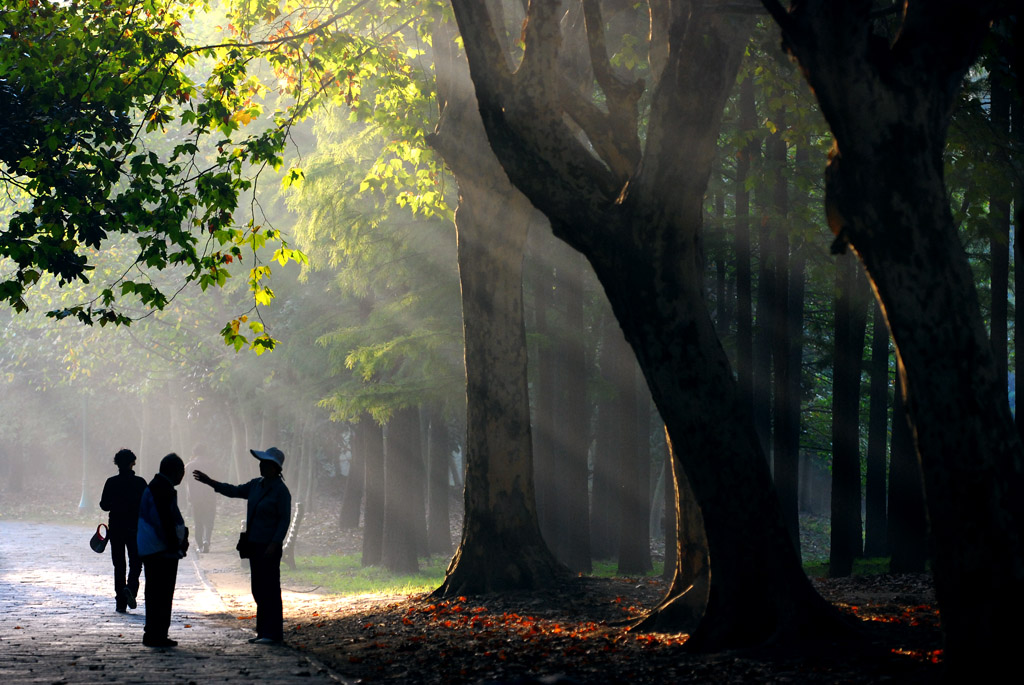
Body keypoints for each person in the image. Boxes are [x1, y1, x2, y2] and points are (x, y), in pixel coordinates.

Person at [193, 447, 291, 645]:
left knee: (270, 589)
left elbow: (283, 521)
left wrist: (275, 543)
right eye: (261, 462)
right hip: (254, 545)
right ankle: (263, 631)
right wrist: (210, 482)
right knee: (258, 588)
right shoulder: (256, 485)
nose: (261, 465)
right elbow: (234, 490)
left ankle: (273, 633)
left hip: (269, 547)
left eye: (265, 463)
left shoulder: (281, 491)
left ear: (274, 467)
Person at [137, 453, 189, 648]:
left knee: (154, 592)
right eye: (181, 472)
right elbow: (166, 522)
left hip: (151, 548)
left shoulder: (155, 486)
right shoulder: (163, 489)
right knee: (162, 593)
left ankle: (153, 632)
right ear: (175, 472)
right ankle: (157, 634)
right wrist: (176, 544)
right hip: (160, 549)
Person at [98, 448, 148, 613]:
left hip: (117, 528)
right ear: (132, 463)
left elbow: (104, 505)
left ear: (117, 464)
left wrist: (116, 504)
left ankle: (120, 602)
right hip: (135, 528)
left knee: (119, 565)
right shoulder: (140, 483)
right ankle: (131, 589)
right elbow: (147, 506)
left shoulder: (111, 482)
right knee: (136, 563)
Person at [185, 449, 217, 552]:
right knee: (209, 521)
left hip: (195, 499)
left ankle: (200, 546)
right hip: (210, 498)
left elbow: (185, 481)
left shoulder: (189, 465)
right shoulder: (212, 465)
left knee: (198, 522)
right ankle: (206, 541)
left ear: (194, 453)